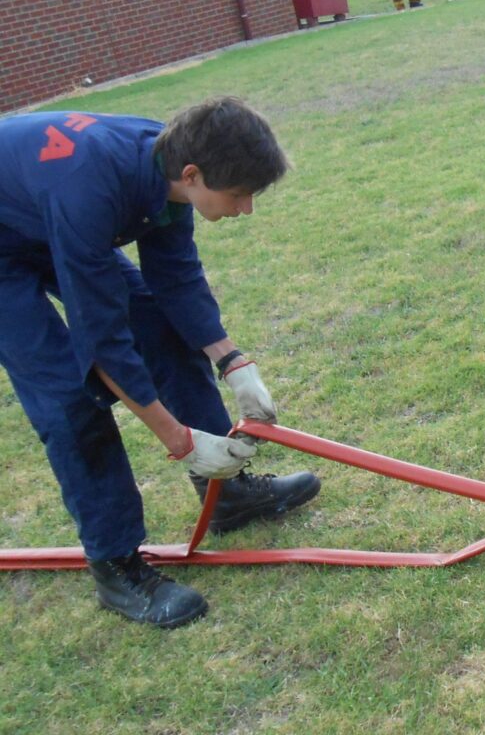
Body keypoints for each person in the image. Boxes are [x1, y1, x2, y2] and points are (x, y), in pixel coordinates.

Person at [0, 96, 321, 628]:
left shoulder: (169, 162)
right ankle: (117, 566)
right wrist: (180, 440)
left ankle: (225, 496)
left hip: (49, 212)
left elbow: (175, 280)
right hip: (10, 243)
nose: (246, 209)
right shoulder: (93, 187)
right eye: (239, 194)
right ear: (194, 175)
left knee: (162, 328)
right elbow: (101, 342)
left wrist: (232, 360)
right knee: (67, 397)